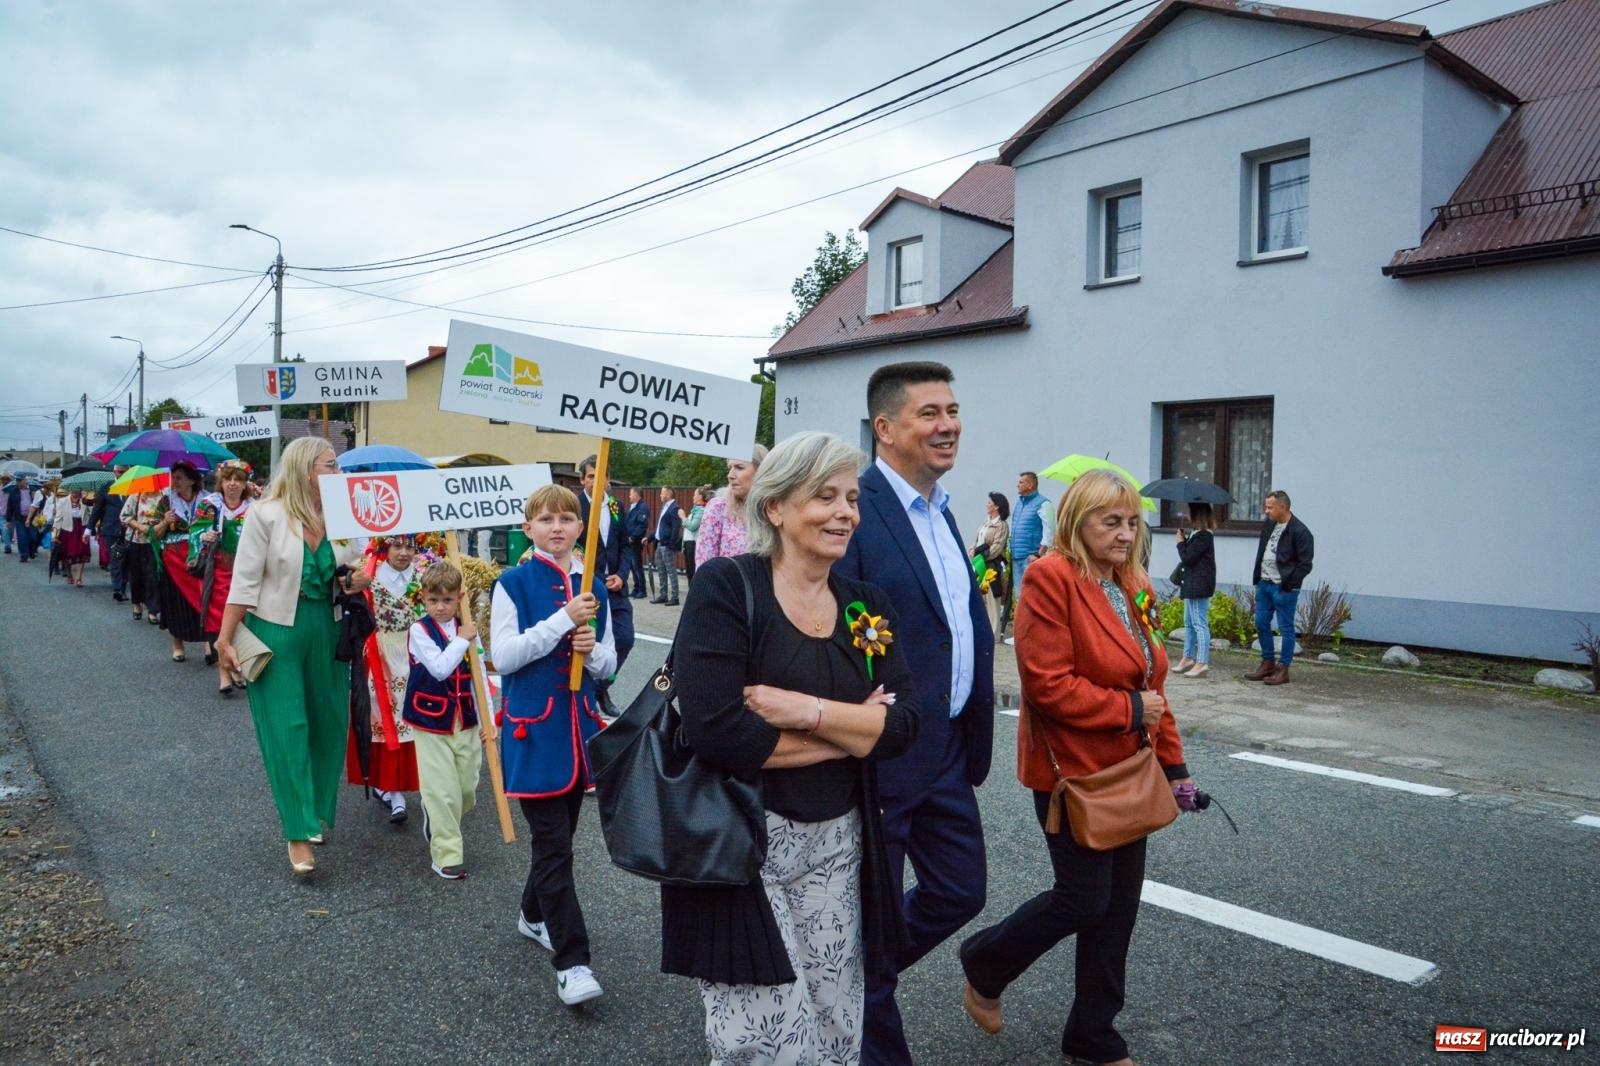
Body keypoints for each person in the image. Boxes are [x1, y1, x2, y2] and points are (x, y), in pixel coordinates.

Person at [666, 431, 918, 1064]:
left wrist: (806, 712)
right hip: (742, 847)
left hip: (840, 842)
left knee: (837, 1027)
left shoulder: (866, 604)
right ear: (774, 507)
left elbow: (908, 724)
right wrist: (855, 730)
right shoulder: (726, 587)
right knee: (764, 1039)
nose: (845, 513)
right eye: (824, 496)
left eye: (852, 499)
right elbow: (720, 733)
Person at [958, 469, 1192, 1066]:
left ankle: (1092, 1036)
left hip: (1131, 771)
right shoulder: (1050, 577)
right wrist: (1128, 709)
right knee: (1084, 900)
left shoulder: (1134, 582)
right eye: (1110, 521)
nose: (1124, 533)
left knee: (1118, 913)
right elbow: (1046, 684)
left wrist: (1175, 767)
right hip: (1074, 773)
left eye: (1132, 522)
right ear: (1076, 522)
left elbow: (1153, 681)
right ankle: (986, 962)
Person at [835, 361, 993, 1066]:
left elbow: (953, 620)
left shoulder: (943, 507)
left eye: (952, 410)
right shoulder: (856, 508)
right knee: (872, 922)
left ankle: (852, 970)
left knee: (961, 890)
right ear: (886, 428)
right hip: (881, 752)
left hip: (948, 747)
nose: (948, 424)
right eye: (930, 412)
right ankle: (866, 1007)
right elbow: (827, 622)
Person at [216, 438, 368, 878]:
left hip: (329, 628)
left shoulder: (343, 516)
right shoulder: (264, 514)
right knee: (288, 728)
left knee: (328, 722)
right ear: (305, 470)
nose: (338, 473)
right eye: (330, 465)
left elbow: (354, 567)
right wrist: (225, 640)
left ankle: (314, 808)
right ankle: (297, 831)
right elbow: (243, 582)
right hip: (275, 629)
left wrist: (358, 578)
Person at [490, 484, 617, 1006]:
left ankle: (533, 913)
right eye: (546, 519)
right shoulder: (512, 583)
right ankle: (572, 962)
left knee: (557, 842)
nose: (557, 527)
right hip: (534, 732)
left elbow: (609, 664)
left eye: (567, 518)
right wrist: (563, 621)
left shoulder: (595, 588)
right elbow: (504, 656)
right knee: (555, 849)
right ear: (529, 529)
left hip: (579, 734)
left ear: (580, 529)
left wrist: (593, 649)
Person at [403, 559, 481, 879]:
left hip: (467, 719)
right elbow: (439, 668)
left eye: (447, 600)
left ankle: (434, 815)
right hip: (430, 719)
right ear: (423, 598)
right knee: (443, 791)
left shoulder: (468, 625)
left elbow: (478, 674)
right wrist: (463, 639)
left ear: (459, 598)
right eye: (433, 600)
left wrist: (489, 719)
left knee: (467, 788)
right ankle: (447, 854)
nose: (440, 607)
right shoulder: (419, 630)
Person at [348, 534, 429, 823]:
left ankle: (426, 783)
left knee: (417, 719)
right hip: (379, 654)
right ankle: (391, 789)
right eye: (397, 546)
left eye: (410, 546)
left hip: (417, 651)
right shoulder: (367, 572)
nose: (404, 553)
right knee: (382, 720)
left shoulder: (425, 573)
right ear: (385, 547)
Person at [577, 454, 634, 718]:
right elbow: (576, 550)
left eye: (601, 476)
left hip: (617, 587)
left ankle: (601, 687)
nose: (596, 481)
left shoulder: (615, 506)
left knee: (625, 639)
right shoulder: (576, 507)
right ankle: (588, 692)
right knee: (592, 642)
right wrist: (597, 579)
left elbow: (625, 546)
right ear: (583, 479)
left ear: (608, 479)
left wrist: (622, 574)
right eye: (591, 476)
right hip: (590, 587)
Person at [191, 460, 254, 695]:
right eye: (228, 479)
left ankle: (237, 665)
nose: (233, 484)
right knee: (219, 621)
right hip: (217, 570)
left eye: (238, 479)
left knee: (242, 620)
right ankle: (223, 672)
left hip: (246, 570)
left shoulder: (254, 507)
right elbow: (194, 532)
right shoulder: (210, 505)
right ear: (221, 482)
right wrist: (203, 536)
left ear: (245, 483)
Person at [1247, 490, 1314, 686]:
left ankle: (1283, 668)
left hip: (1283, 588)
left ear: (1282, 507)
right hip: (1265, 584)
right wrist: (1259, 579)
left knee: (1285, 628)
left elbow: (1305, 564)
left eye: (1270, 507)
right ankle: (1267, 663)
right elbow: (1263, 551)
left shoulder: (1300, 531)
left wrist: (1289, 584)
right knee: (1261, 623)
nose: (1266, 511)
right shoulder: (1269, 525)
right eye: (1266, 506)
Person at [149, 462, 208, 663]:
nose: (175, 481)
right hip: (174, 560)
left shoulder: (207, 501)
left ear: (191, 480)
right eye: (173, 477)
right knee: (176, 602)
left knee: (204, 599)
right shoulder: (166, 502)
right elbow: (154, 534)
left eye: (180, 477)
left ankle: (209, 642)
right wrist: (165, 521)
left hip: (200, 557)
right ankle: (177, 645)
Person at [694, 444, 769, 566]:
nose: (730, 475)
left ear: (761, 471)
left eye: (739, 467)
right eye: (729, 468)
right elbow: (704, 565)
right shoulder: (719, 507)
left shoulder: (775, 511)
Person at [1172, 501, 1218, 679]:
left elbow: (1188, 558)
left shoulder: (1205, 536)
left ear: (1197, 514)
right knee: (1189, 623)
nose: (1187, 515)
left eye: (1190, 512)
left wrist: (1180, 543)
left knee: (1200, 624)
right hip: (1191, 584)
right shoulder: (1196, 534)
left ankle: (1202, 662)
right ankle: (1188, 657)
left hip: (1199, 585)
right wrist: (1184, 539)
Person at [1010, 471, 1054, 604]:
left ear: (1030, 485)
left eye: (1021, 482)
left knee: (1033, 597)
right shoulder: (1019, 504)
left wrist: (1039, 554)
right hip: (1017, 557)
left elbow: (1050, 530)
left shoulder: (1043, 504)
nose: (1017, 485)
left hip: (1031, 558)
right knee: (1020, 597)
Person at [972, 492, 1011, 638]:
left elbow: (997, 546)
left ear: (996, 506)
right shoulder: (985, 522)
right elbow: (978, 540)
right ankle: (983, 629)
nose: (987, 505)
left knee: (992, 596)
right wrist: (973, 549)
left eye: (990, 503)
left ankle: (993, 632)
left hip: (991, 564)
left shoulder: (1001, 525)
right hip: (979, 562)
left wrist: (984, 555)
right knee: (980, 594)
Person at [121, 490, 162, 623]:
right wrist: (140, 526)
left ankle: (153, 610)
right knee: (136, 575)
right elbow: (124, 516)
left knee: (153, 575)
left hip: (156, 542)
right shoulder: (136, 496)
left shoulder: (164, 497)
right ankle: (137, 604)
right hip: (136, 541)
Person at [89, 471, 128, 601]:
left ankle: (122, 585)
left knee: (126, 560)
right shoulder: (107, 487)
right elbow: (97, 509)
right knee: (115, 558)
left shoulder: (133, 487)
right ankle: (118, 589)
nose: (121, 474)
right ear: (114, 472)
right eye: (119, 471)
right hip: (110, 529)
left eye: (124, 471)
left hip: (128, 530)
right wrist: (89, 528)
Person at [650, 486, 682, 606]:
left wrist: (670, 543)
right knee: (661, 570)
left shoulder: (674, 508)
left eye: (662, 493)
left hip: (666, 545)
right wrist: (649, 538)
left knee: (671, 570)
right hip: (659, 543)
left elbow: (676, 528)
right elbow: (660, 527)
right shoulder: (665, 507)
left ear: (668, 494)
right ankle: (663, 595)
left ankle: (675, 597)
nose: (660, 495)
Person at [52, 489, 92, 587]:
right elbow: (58, 519)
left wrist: (87, 500)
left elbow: (91, 514)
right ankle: (69, 574)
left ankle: (78, 578)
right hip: (68, 529)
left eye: (77, 492)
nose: (75, 494)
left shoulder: (85, 501)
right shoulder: (62, 501)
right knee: (67, 553)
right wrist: (55, 535)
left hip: (81, 529)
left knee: (82, 552)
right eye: (73, 492)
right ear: (70, 492)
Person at [624, 487, 649, 598]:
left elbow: (642, 524)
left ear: (636, 494)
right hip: (629, 541)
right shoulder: (632, 507)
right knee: (632, 566)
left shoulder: (642, 507)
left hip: (635, 541)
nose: (629, 496)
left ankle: (642, 590)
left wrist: (633, 537)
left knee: (637, 566)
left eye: (631, 494)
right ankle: (636, 588)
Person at [681, 485, 708, 583]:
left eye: (694, 495)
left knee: (692, 571)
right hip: (689, 544)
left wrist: (683, 517)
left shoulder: (700, 510)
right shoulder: (695, 510)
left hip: (693, 544)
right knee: (689, 572)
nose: (693, 497)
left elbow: (693, 526)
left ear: (700, 497)